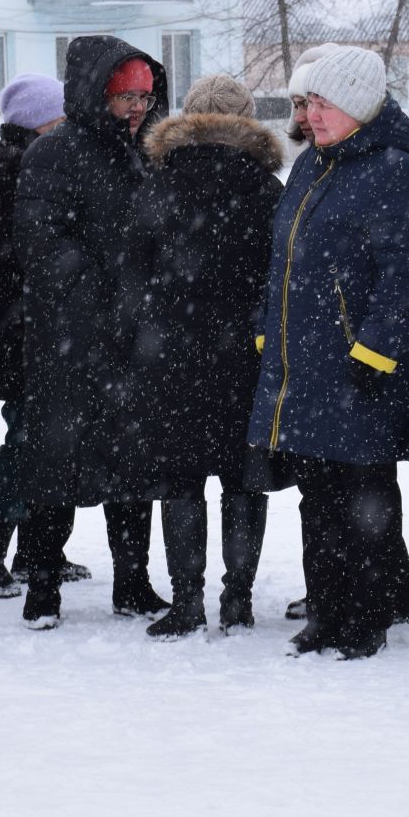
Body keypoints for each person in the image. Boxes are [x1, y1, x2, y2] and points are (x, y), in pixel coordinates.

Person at [249, 46, 409, 660]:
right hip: (303, 362)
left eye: (325, 104)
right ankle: (326, 611)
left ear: (357, 105)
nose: (312, 115)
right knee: (317, 494)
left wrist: (374, 352)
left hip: (359, 368)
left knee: (361, 494)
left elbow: (406, 274)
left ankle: (366, 617)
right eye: (308, 103)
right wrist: (264, 333)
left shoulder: (393, 172)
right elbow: (281, 264)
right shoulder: (312, 167)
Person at [12, 37, 171, 630]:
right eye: (125, 95)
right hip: (69, 340)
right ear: (97, 93)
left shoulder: (152, 153)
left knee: (134, 467)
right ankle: (43, 587)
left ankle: (132, 583)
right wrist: (101, 298)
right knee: (57, 468)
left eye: (145, 96)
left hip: (135, 341)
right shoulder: (53, 154)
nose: (137, 106)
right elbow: (41, 241)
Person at [120, 75, 284, 638]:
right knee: (243, 480)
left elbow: (132, 275)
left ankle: (187, 603)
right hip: (247, 355)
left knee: (181, 482)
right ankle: (237, 601)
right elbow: (281, 275)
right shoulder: (266, 188)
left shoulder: (158, 184)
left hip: (172, 356)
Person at [0, 73, 87, 599]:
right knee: (27, 442)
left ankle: (38, 552)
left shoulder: (16, 162)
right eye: (60, 121)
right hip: (25, 333)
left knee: (42, 440)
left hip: (24, 330)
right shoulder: (20, 168)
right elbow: (26, 257)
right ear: (41, 123)